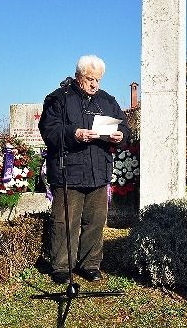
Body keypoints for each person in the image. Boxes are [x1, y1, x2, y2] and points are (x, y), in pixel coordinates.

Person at [39, 55, 130, 284]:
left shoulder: (107, 101)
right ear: (78, 76)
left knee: (95, 221)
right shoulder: (58, 98)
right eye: (90, 79)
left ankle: (90, 264)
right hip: (68, 171)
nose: (94, 84)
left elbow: (125, 128)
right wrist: (74, 134)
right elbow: (49, 131)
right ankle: (61, 265)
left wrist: (121, 136)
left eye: (98, 80)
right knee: (64, 221)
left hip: (99, 171)